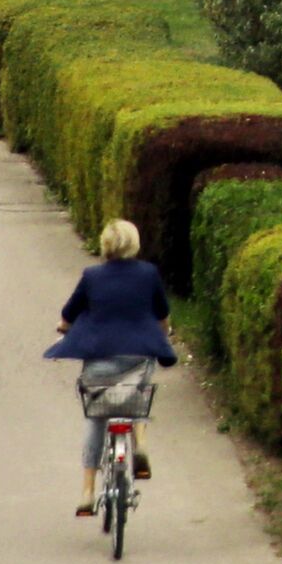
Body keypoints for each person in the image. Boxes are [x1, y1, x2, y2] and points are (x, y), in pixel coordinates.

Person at [45, 219, 178, 517]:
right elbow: (162, 315)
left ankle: (87, 492)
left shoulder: (91, 276)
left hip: (100, 360)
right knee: (137, 392)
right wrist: (164, 333)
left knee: (95, 417)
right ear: (134, 243)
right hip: (138, 356)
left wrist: (64, 327)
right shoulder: (149, 274)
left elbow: (68, 314)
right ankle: (140, 443)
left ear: (106, 245)